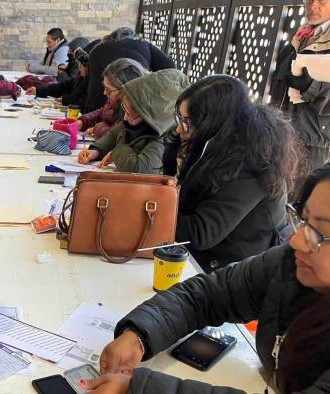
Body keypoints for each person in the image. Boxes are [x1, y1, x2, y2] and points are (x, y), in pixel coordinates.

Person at [85, 165, 330, 394]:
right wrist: (140, 334)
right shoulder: (287, 263)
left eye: (323, 233)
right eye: (303, 221)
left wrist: (138, 388)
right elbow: (207, 295)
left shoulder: (249, 174)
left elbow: (202, 232)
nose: (297, 241)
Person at [162, 75, 297, 272]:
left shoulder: (254, 163)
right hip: (212, 259)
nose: (179, 129)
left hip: (239, 272)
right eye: (181, 120)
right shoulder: (219, 148)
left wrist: (151, 209)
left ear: (216, 124)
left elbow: (200, 233)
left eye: (188, 122)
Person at [270, 1, 330, 197]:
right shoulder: (298, 38)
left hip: (311, 143)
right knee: (272, 195)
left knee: (295, 204)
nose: (313, 5)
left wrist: (311, 87)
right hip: (280, 132)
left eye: (322, 0)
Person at [78, 68, 188, 174]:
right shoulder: (136, 122)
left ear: (149, 115)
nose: (125, 117)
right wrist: (96, 151)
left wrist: (116, 152)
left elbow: (140, 168)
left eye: (132, 114)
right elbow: (113, 134)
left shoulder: (161, 137)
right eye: (124, 109)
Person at [84, 27, 175, 113]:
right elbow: (170, 68)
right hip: (130, 106)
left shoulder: (98, 48)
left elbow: (87, 79)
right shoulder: (143, 44)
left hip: (93, 105)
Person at [78, 58, 148, 139]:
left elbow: (118, 136)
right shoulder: (114, 99)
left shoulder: (132, 111)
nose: (104, 93)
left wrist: (97, 127)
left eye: (109, 90)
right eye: (104, 87)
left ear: (126, 91)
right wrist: (83, 121)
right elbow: (103, 111)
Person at [26, 46, 91, 111]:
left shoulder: (91, 83)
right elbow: (64, 87)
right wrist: (39, 90)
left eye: (81, 65)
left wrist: (65, 100)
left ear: (87, 66)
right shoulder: (81, 77)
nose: (79, 68)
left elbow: (83, 102)